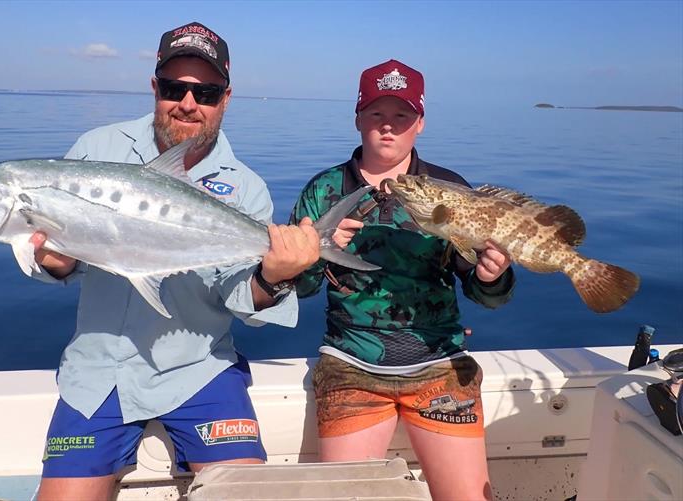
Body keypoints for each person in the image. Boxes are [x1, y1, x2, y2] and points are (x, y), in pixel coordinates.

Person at [31, 22, 320, 501]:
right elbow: (65, 258)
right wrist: (55, 261)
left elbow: (239, 293)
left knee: (250, 494)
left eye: (204, 92)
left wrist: (276, 275)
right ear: (155, 88)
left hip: (200, 370)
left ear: (225, 98)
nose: (188, 103)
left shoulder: (245, 187)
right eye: (174, 88)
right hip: (99, 371)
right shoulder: (96, 150)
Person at [290, 59, 516, 501]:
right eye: (376, 114)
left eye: (402, 116)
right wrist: (317, 250)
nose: (388, 127)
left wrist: (493, 276)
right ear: (358, 118)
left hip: (440, 365)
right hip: (350, 366)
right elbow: (300, 287)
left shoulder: (451, 190)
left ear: (421, 123)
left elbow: (486, 295)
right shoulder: (324, 191)